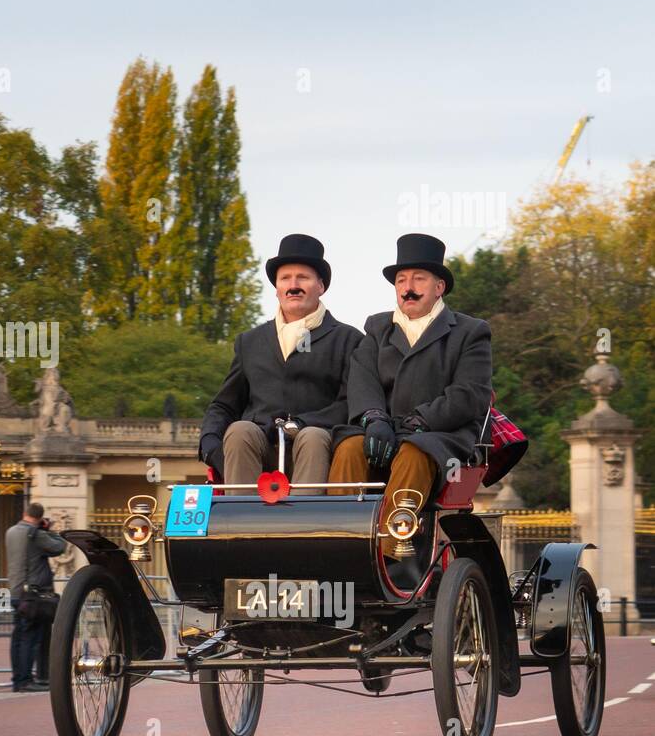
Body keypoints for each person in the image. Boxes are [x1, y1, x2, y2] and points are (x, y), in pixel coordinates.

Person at [328, 233, 493, 589]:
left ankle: (389, 554)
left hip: (440, 438)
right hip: (382, 432)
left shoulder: (470, 332)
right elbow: (362, 378)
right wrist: (373, 418)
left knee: (415, 453)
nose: (408, 288)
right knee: (347, 448)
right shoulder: (376, 327)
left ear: (439, 287)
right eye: (401, 281)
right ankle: (340, 544)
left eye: (418, 279)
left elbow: (470, 394)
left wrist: (421, 420)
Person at [198, 234, 364, 491]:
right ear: (276, 288)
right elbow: (224, 404)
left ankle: (303, 526)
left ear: (321, 286)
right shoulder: (250, 341)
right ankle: (243, 526)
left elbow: (350, 404)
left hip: (319, 447)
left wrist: (303, 424)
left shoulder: (349, 339)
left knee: (311, 437)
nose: (293, 285)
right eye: (285, 278)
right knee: (240, 430)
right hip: (259, 447)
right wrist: (208, 439)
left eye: (303, 278)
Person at [6, 502, 66, 693]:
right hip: (32, 595)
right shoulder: (36, 535)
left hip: (15, 591)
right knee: (30, 639)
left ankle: (17, 678)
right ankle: (25, 680)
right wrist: (50, 530)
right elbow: (59, 547)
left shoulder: (11, 531)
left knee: (17, 638)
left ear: (25, 513)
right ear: (40, 518)